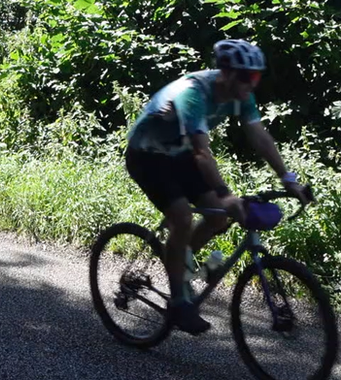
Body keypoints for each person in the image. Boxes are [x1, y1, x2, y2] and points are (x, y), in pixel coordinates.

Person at [124, 39, 310, 335]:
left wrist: (289, 180)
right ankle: (179, 301)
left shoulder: (240, 95)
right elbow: (201, 153)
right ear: (227, 73)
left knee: (218, 217)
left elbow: (260, 138)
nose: (252, 83)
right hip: (148, 154)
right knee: (183, 217)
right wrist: (225, 194)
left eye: (257, 76)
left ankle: (180, 263)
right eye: (247, 76)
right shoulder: (193, 94)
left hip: (180, 152)